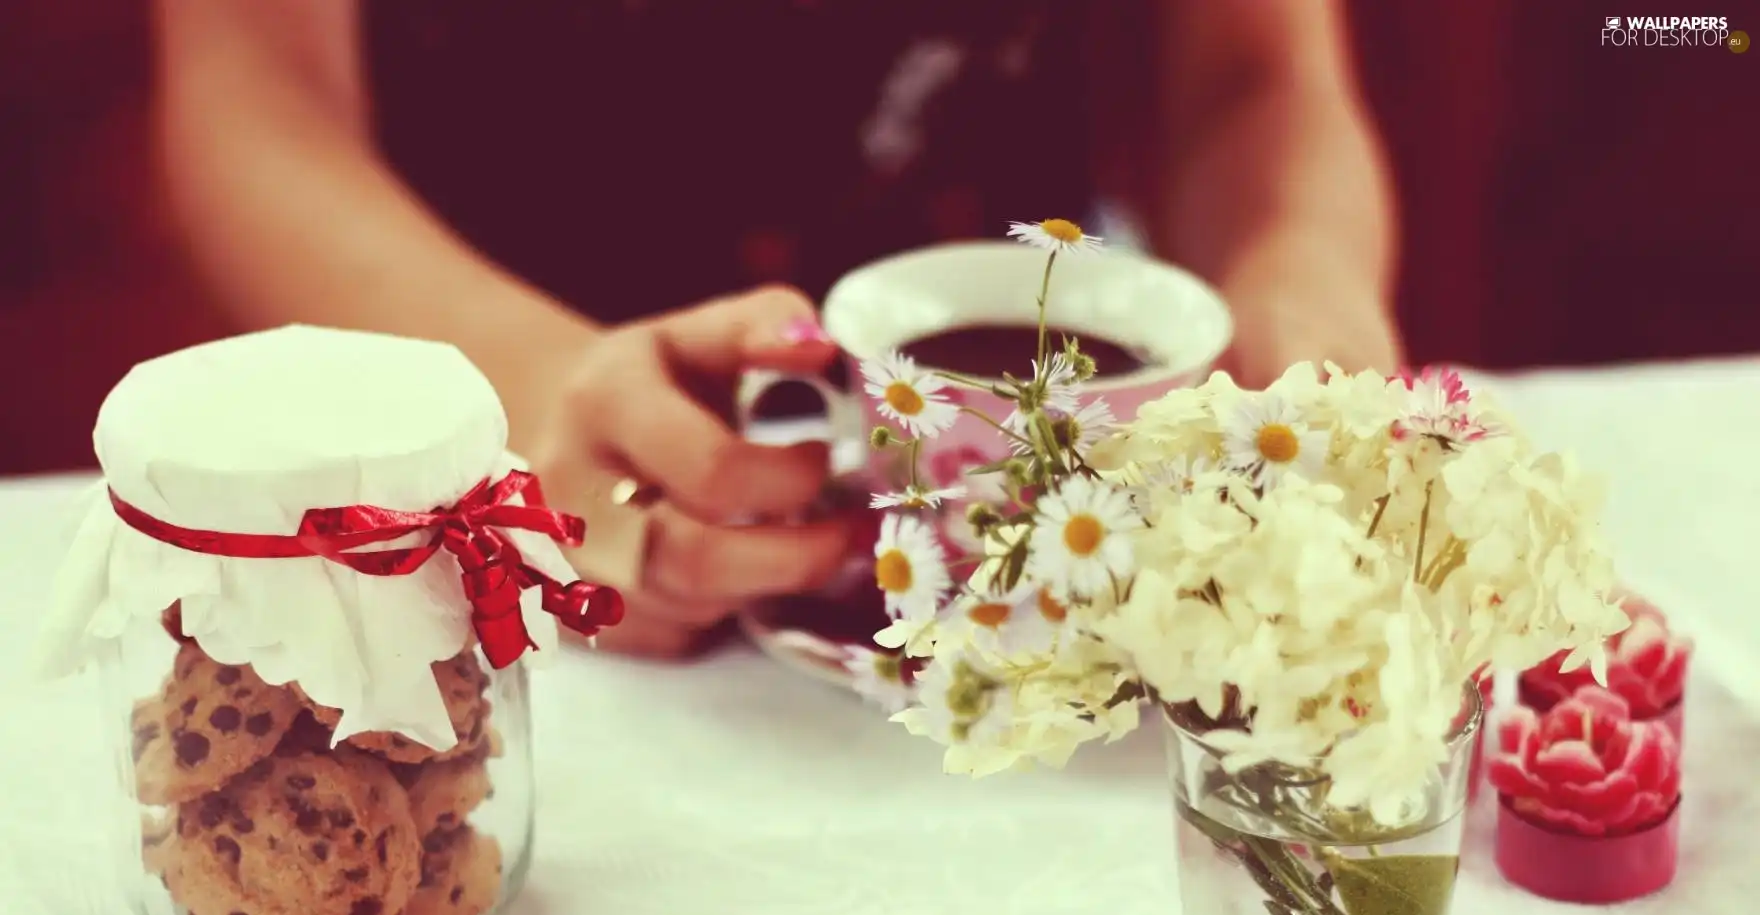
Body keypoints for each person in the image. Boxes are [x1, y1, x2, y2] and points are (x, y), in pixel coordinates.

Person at [152, 0, 1399, 658]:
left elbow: (1253, 74)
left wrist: (1299, 276)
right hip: (500, 460)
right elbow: (259, 95)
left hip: (1042, 397)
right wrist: (530, 391)